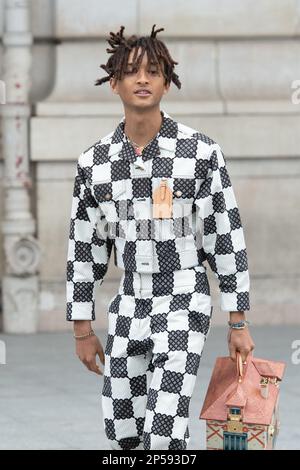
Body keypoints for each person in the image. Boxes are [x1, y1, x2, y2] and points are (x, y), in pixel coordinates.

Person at [66, 24, 255, 450]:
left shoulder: (200, 153)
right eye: (131, 72)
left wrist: (237, 320)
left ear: (167, 82)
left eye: (153, 71)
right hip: (129, 300)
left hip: (185, 300)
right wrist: (82, 328)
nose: (143, 80)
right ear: (114, 83)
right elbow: (85, 247)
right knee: (124, 431)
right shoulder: (94, 162)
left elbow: (226, 238)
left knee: (165, 428)